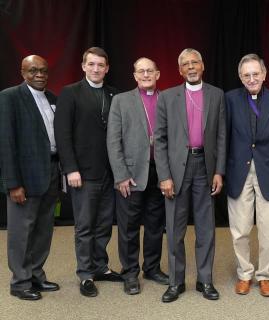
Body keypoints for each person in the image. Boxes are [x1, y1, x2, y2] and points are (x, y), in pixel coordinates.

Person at [154, 48, 226, 303]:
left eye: (195, 62)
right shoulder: (167, 97)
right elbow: (160, 139)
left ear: (203, 65)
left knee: (206, 229)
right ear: (180, 70)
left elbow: (221, 136)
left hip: (205, 168)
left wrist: (219, 171)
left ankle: (205, 280)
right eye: (186, 64)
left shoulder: (217, 95)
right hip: (175, 172)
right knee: (175, 229)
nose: (191, 67)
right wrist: (164, 176)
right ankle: (176, 282)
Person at [54, 47, 121, 297]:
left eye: (100, 65)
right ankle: (85, 273)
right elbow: (63, 134)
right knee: (85, 226)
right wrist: (70, 168)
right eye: (91, 64)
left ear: (107, 68)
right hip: (82, 173)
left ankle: (100, 267)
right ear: (83, 66)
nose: (96, 69)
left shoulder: (114, 94)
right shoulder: (70, 93)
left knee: (104, 223)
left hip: (110, 173)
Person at [226, 53, 269, 297]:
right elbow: (224, 138)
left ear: (264, 74)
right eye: (246, 75)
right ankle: (244, 274)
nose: (251, 78)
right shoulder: (230, 99)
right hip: (237, 172)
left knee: (267, 230)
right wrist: (220, 172)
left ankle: (264, 275)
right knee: (240, 229)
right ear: (240, 77)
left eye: (255, 74)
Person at [0, 55, 60, 300]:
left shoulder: (52, 97)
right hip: (24, 178)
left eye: (44, 70)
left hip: (51, 173)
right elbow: (6, 142)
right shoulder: (9, 97)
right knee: (21, 230)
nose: (39, 74)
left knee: (44, 228)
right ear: (22, 72)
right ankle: (20, 282)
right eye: (33, 70)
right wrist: (12, 183)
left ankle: (36, 275)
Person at [107, 57, 168, 295]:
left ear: (158, 74)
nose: (145, 74)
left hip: (159, 172)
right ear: (134, 76)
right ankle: (130, 272)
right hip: (130, 174)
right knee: (129, 226)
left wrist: (169, 174)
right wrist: (120, 175)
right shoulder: (121, 101)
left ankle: (152, 267)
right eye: (140, 71)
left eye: (150, 71)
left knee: (155, 225)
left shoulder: (168, 99)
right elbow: (113, 141)